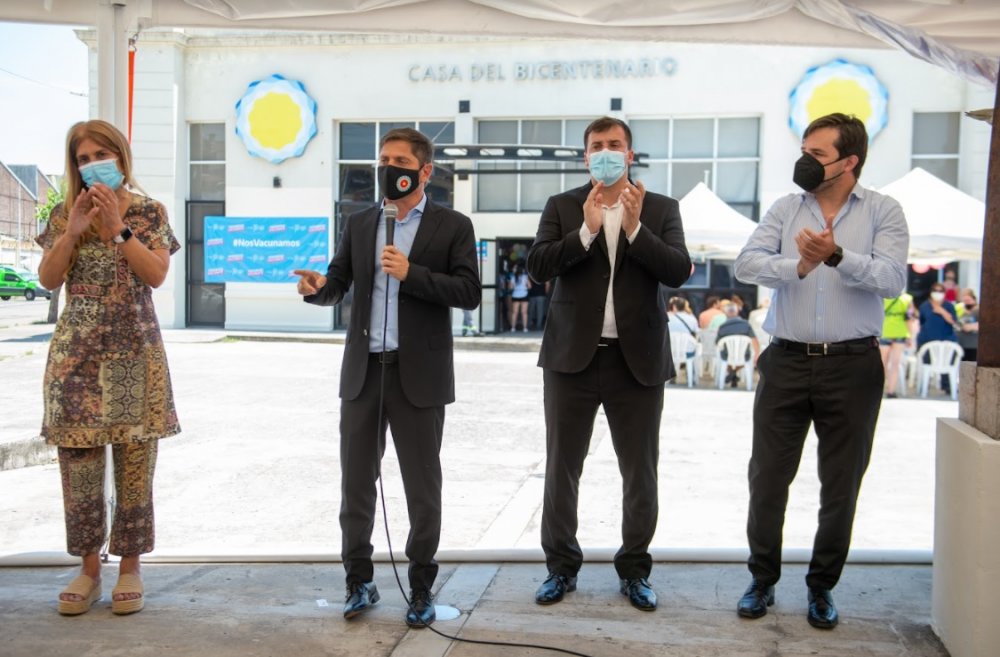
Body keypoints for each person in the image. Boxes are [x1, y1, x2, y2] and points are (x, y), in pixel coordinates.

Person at [294, 128, 481, 628]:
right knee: (356, 484)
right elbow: (339, 283)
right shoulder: (359, 223)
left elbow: (468, 292)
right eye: (383, 159)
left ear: (424, 171)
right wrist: (318, 290)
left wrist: (411, 273)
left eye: (399, 159)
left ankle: (421, 588)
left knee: (422, 488)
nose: (388, 167)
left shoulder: (453, 225)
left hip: (418, 376)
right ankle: (359, 581)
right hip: (363, 374)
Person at [733, 113, 908, 629]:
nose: (804, 162)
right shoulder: (786, 209)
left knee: (841, 484)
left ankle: (821, 587)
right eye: (803, 150)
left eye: (818, 154)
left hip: (853, 366)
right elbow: (746, 264)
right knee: (766, 479)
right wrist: (798, 266)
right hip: (784, 359)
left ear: (849, 161)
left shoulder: (884, 211)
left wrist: (837, 257)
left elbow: (892, 279)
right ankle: (761, 579)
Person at [526, 116, 691, 612]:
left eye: (614, 145)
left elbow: (679, 271)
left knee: (640, 472)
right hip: (571, 359)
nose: (606, 151)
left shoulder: (661, 208)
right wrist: (584, 231)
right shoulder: (563, 205)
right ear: (585, 156)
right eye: (597, 145)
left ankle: (635, 570)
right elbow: (538, 266)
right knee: (561, 469)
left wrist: (637, 230)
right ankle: (560, 568)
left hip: (636, 361)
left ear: (630, 154)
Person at [35, 119, 181, 616]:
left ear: (120, 157)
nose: (91, 163)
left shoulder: (148, 212)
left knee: (135, 467)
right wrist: (73, 232)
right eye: (81, 157)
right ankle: (89, 567)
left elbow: (157, 275)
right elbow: (49, 279)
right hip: (75, 359)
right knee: (79, 473)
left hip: (134, 357)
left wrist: (118, 231)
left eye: (101, 153)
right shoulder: (61, 214)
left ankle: (131, 567)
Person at [916, 281, 960, 393]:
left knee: (947, 364)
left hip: (946, 340)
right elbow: (921, 322)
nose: (937, 293)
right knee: (926, 365)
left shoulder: (949, 306)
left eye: (940, 291)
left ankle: (947, 386)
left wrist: (942, 312)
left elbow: (953, 321)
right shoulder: (925, 306)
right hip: (927, 340)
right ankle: (924, 386)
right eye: (935, 290)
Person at [715, 301, 759, 387]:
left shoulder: (722, 326)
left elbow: (717, 343)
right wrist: (757, 354)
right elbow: (754, 340)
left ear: (726, 313)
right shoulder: (746, 324)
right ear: (737, 312)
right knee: (747, 358)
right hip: (744, 355)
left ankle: (732, 373)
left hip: (727, 356)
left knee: (723, 356)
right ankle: (733, 374)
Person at [880, 291, 915, 398]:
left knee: (882, 364)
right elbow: (909, 318)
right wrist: (910, 336)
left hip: (884, 332)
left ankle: (880, 390)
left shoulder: (881, 296)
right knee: (895, 365)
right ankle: (891, 391)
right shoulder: (907, 299)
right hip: (900, 333)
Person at [956, 288, 979, 362]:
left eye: (968, 300)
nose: (967, 302)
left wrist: (970, 327)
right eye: (965, 301)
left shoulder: (978, 310)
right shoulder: (961, 310)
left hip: (973, 345)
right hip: (961, 344)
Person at [508, 262, 530, 331]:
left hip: (515, 295)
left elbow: (510, 287)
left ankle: (513, 328)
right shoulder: (525, 277)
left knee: (515, 312)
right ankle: (525, 328)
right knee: (524, 312)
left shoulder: (513, 277)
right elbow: (529, 286)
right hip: (524, 295)